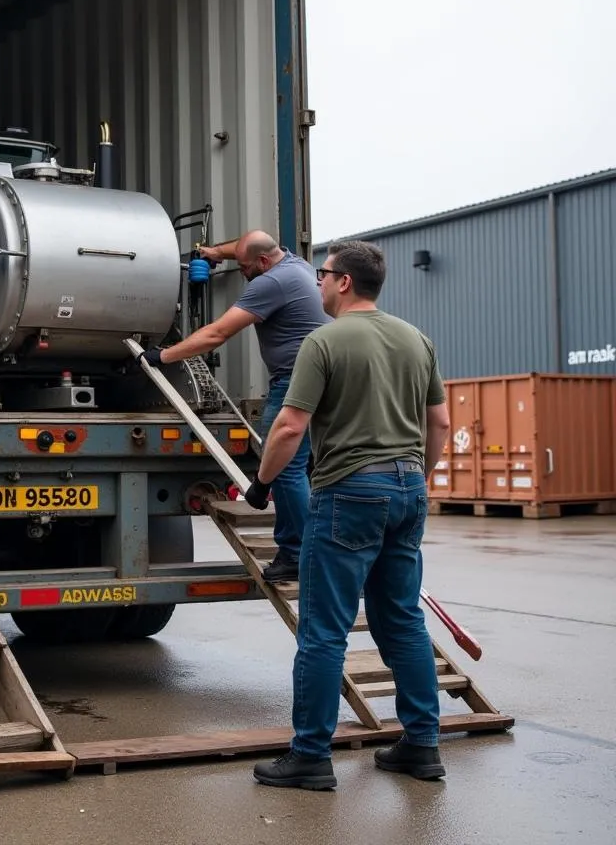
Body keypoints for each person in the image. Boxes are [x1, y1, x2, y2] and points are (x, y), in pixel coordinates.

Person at [245, 240, 452, 791]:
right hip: (409, 489)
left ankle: (310, 756)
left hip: (348, 493)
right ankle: (422, 745)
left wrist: (262, 483)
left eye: (322, 274)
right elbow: (441, 426)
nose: (316, 283)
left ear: (342, 283)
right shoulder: (416, 339)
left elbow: (289, 427)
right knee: (403, 619)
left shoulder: (324, 341)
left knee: (322, 631)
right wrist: (414, 475)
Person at [140, 231, 328, 583]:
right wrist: (216, 253)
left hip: (295, 383)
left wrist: (162, 356)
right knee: (302, 470)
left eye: (243, 267)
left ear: (262, 262)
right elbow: (247, 245)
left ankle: (297, 555)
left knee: (284, 467)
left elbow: (217, 334)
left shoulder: (270, 283)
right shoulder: (297, 265)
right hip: (326, 379)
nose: (240, 272)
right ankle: (316, 550)